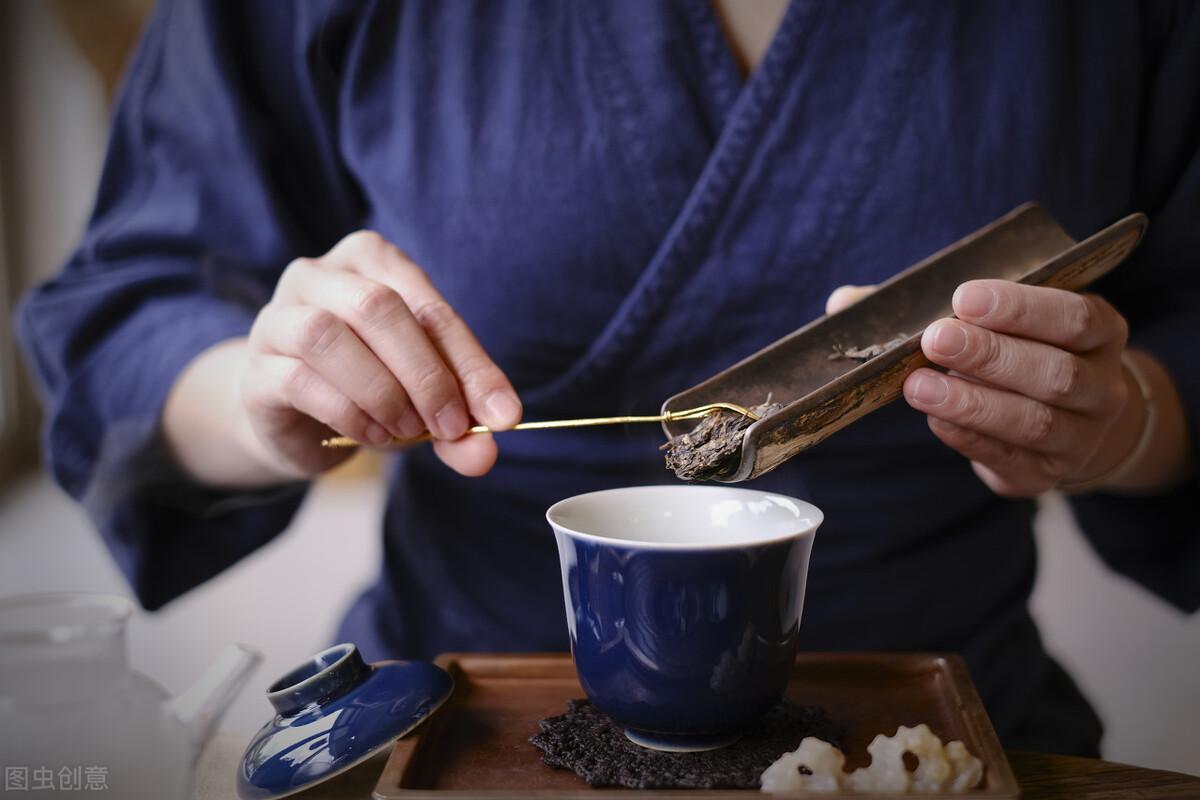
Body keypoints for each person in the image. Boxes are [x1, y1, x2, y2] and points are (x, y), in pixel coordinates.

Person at [17, 0, 1199, 757]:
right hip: (453, 723)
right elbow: (129, 306)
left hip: (933, 735)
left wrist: (1133, 416)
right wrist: (259, 395)